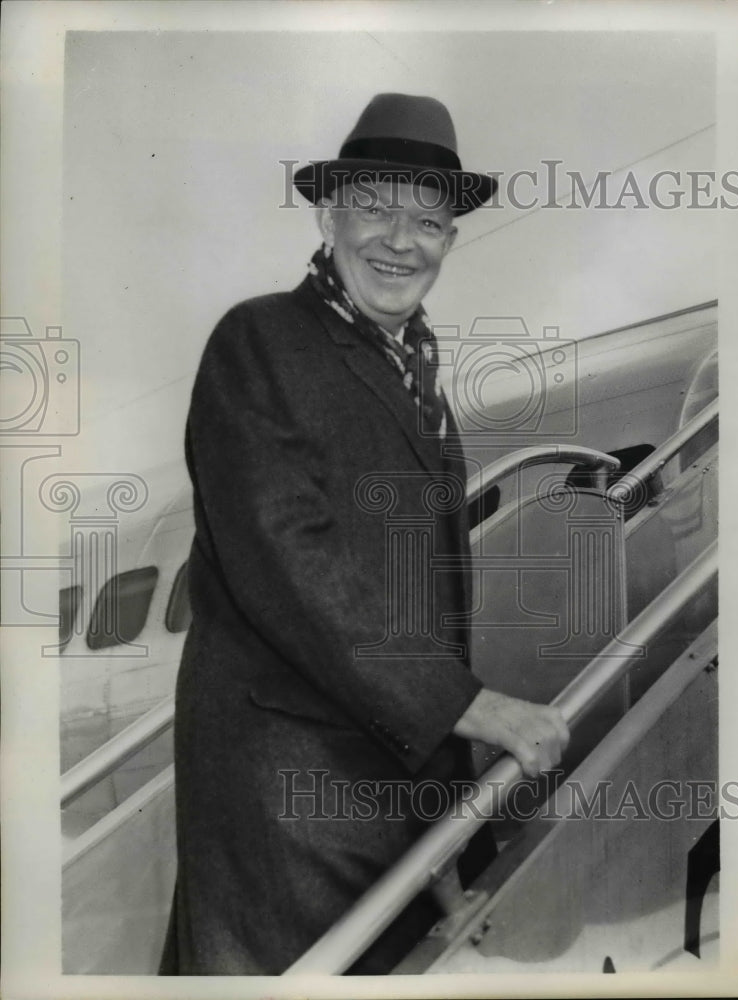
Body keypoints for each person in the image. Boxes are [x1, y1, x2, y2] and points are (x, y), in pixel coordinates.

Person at [159, 93, 569, 976]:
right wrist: (467, 706)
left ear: (450, 243)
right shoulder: (260, 339)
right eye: (375, 209)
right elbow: (288, 554)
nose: (398, 240)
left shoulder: (416, 381)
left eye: (426, 221)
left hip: (394, 778)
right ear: (326, 213)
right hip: (297, 801)